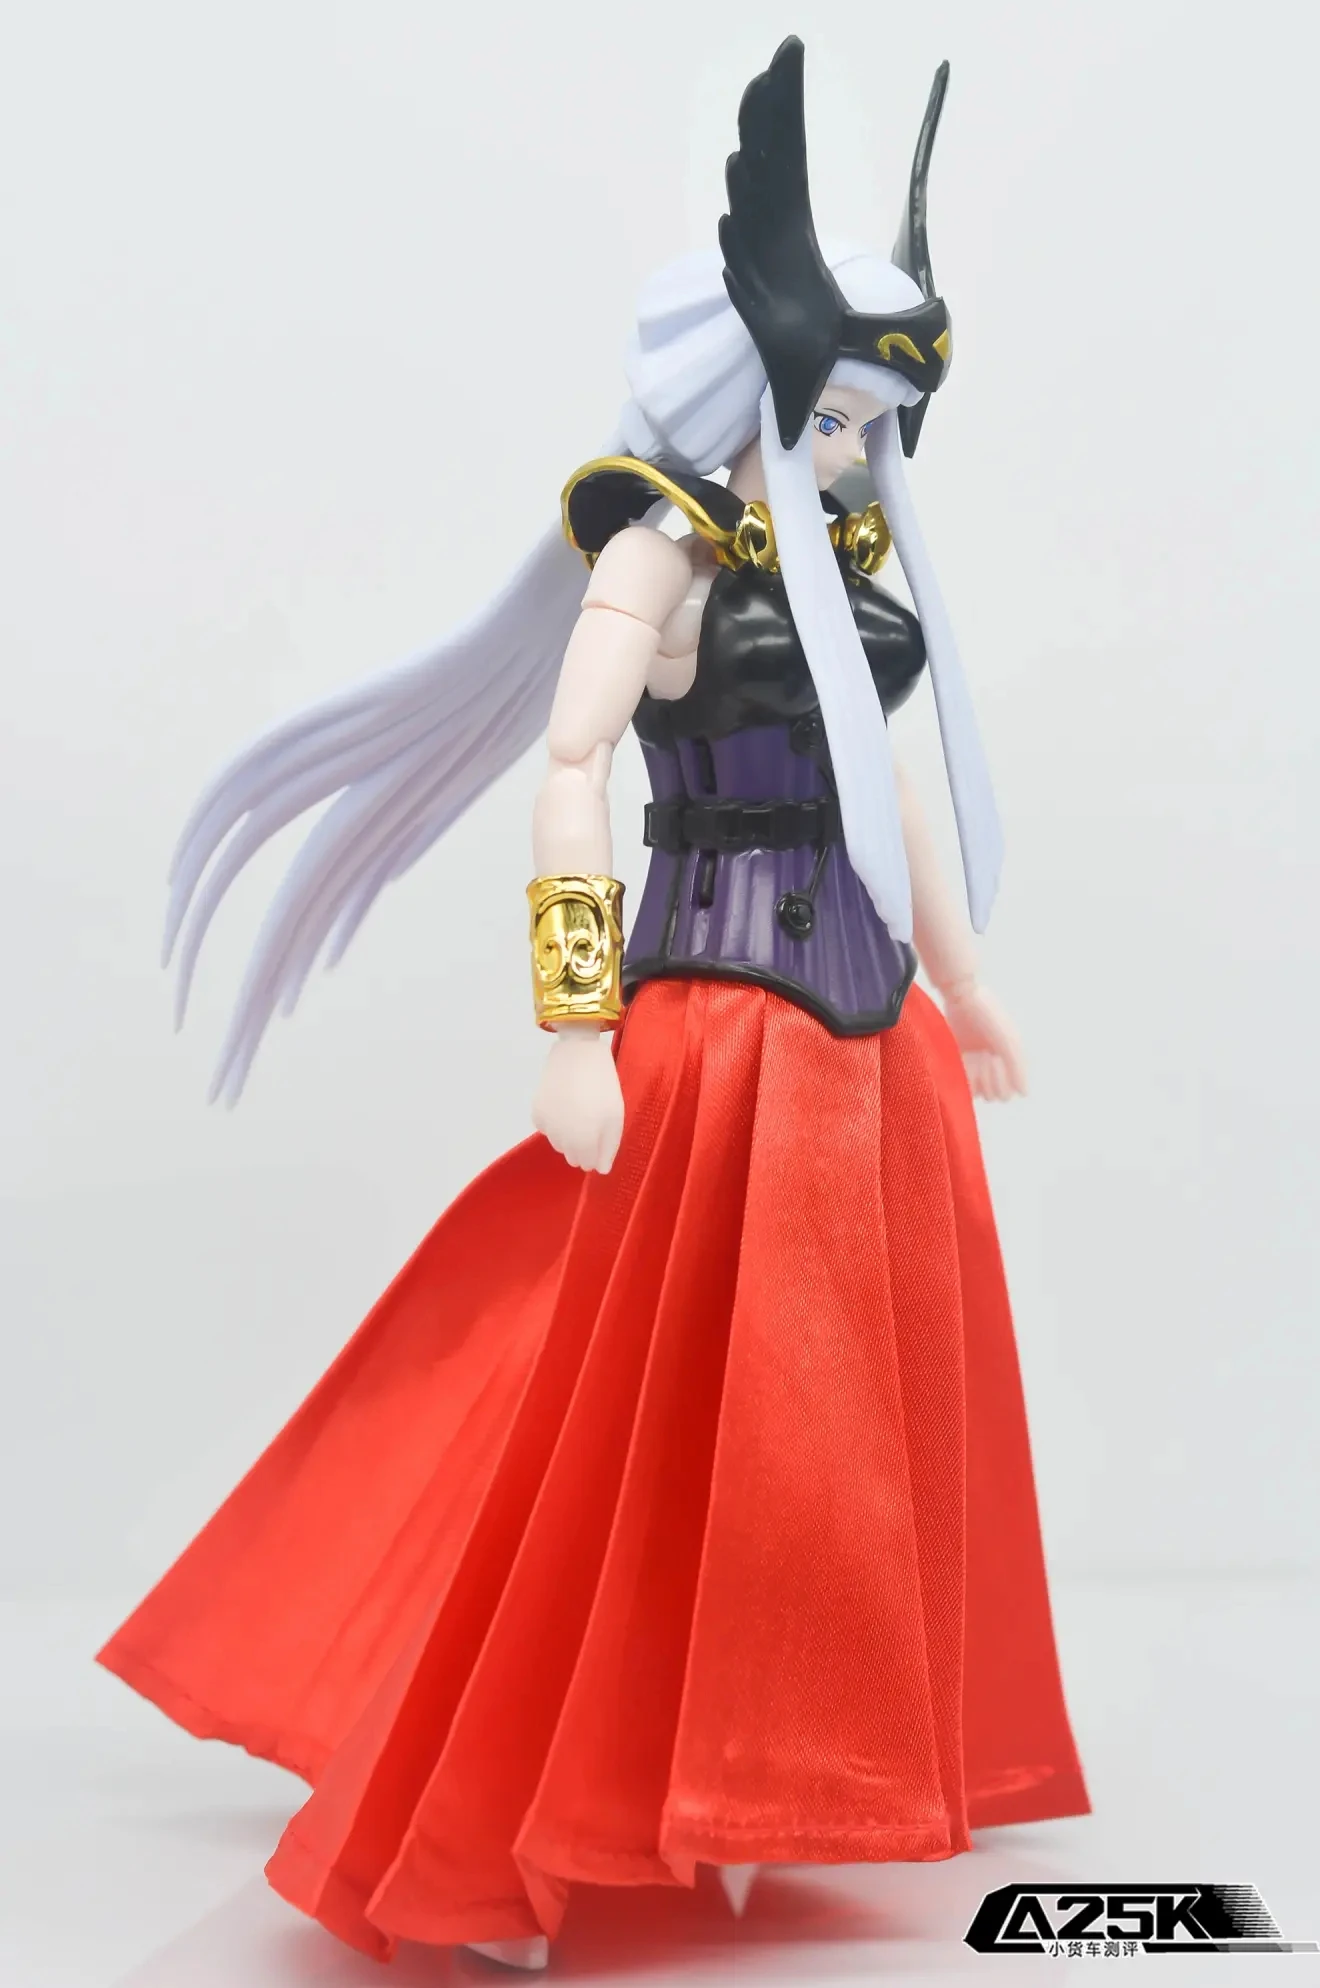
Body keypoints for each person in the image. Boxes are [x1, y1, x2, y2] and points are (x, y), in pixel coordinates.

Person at [98, 38, 1089, 1973]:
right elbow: (570, 778)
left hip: (866, 1043)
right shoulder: (663, 550)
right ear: (762, 386)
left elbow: (884, 786)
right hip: (710, 1026)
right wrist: (573, 1025)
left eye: (884, 427)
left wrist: (962, 976)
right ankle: (538, 1813)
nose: (858, 455)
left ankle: (768, 1779)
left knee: (829, 1451)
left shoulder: (851, 560)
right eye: (841, 416)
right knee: (636, 1439)